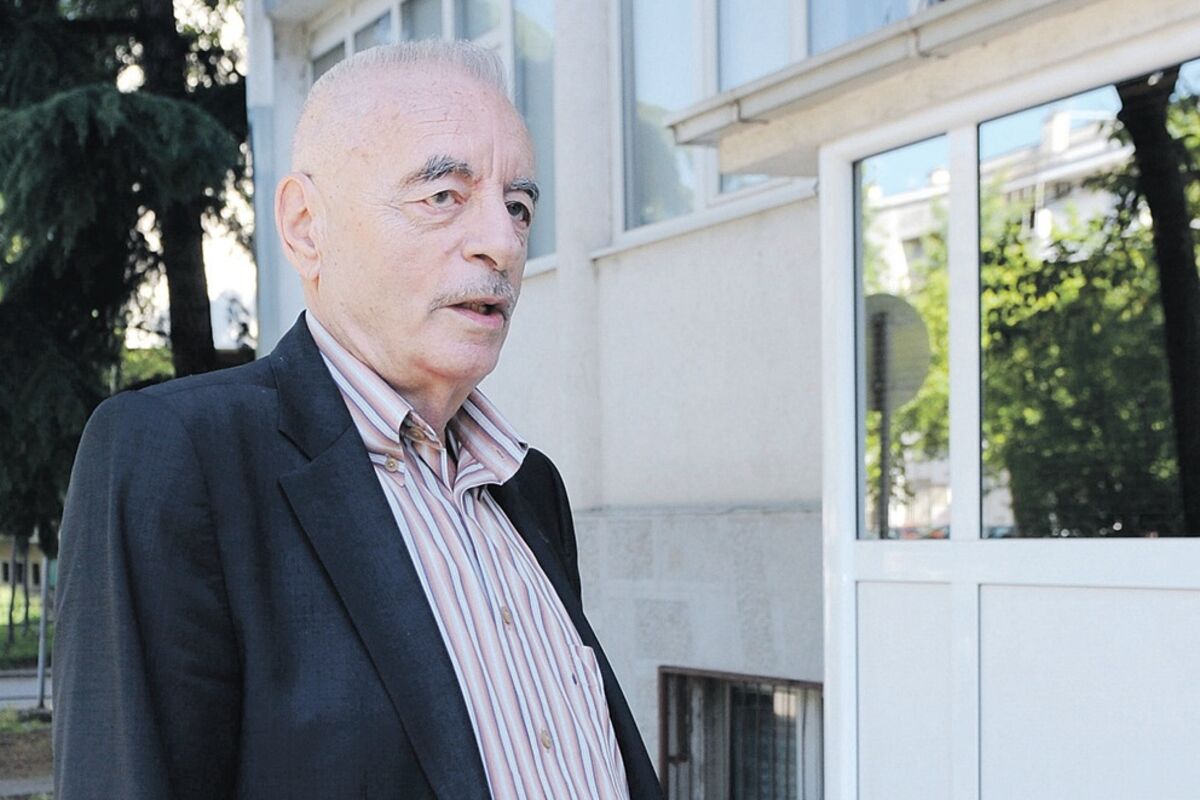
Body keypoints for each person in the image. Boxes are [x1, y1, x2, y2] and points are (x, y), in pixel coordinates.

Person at [53, 40, 661, 800]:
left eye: (519, 207)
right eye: (444, 196)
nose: (503, 244)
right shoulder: (182, 459)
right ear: (307, 226)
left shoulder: (530, 488)